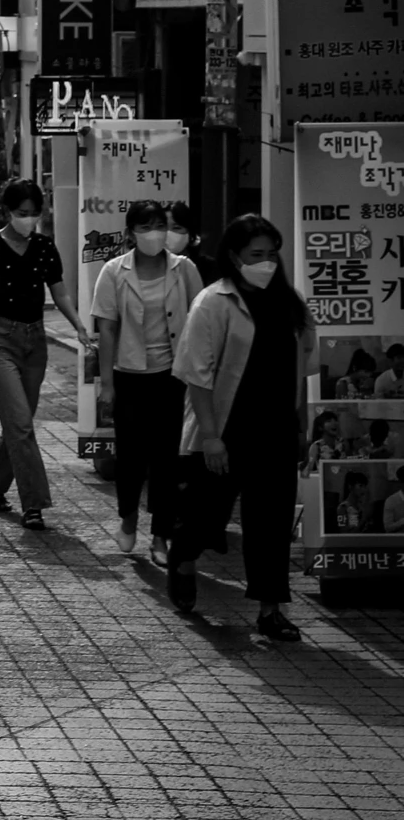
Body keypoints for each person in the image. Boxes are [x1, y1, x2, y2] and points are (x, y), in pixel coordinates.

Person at [167, 212, 318, 643]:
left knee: (270, 523)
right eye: (257, 255)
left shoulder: (290, 305)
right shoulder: (214, 302)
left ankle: (271, 610)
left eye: (272, 254)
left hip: (275, 428)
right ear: (234, 256)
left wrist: (302, 428)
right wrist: (212, 437)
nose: (266, 262)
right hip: (225, 427)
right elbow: (197, 376)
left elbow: (302, 373)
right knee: (206, 514)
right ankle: (183, 556)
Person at [0, 179, 92, 532]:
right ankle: (34, 504)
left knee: (19, 425)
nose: (28, 220)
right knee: (21, 424)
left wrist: (78, 325)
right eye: (21, 213)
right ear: (7, 212)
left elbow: (59, 293)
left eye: (33, 213)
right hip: (1, 341)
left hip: (36, 342)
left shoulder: (45, 247)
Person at [91, 198, 202, 561]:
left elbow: (200, 322)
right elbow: (106, 330)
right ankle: (128, 517)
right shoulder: (113, 271)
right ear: (130, 233)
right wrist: (106, 384)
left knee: (167, 458)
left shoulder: (183, 269)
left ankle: (160, 536)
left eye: (159, 226)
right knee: (131, 457)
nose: (155, 234)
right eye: (145, 227)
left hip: (171, 376)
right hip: (129, 376)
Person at [165, 202, 216, 285]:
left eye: (176, 228)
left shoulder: (209, 267)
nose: (169, 233)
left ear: (190, 232)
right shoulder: (150, 266)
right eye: (164, 228)